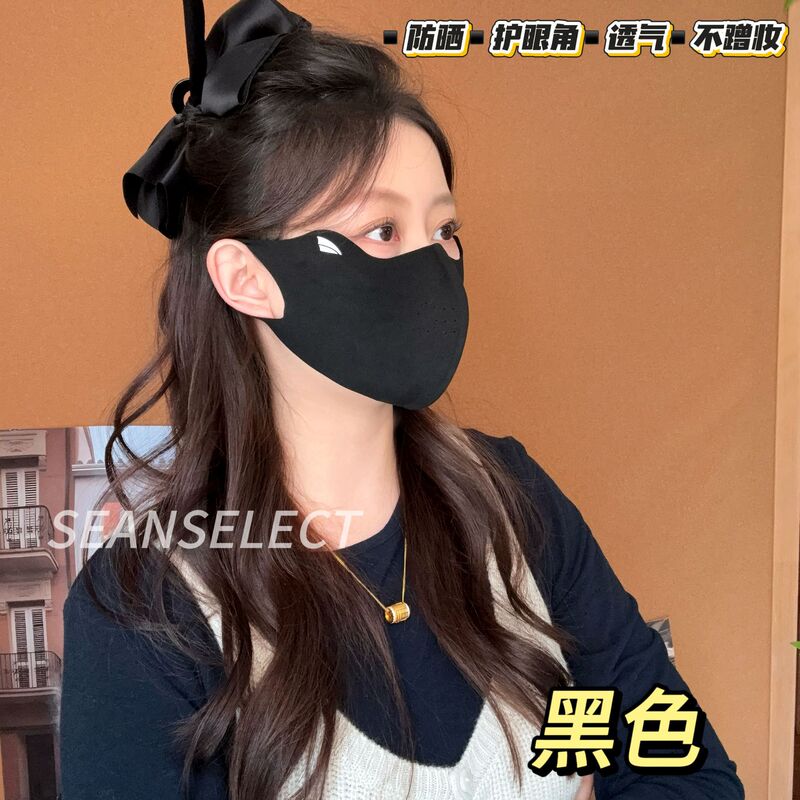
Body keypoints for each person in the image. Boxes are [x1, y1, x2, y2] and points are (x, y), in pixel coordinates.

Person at [58, 1, 746, 799]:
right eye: (382, 232)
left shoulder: (510, 498)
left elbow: (687, 768)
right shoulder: (142, 612)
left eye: (445, 231)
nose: (432, 267)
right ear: (248, 278)